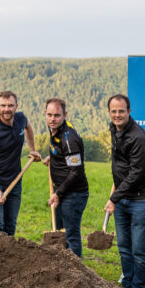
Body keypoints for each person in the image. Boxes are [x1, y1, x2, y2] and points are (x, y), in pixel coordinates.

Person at [104, 94, 145, 288]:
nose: (117, 115)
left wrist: (114, 198)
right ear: (110, 112)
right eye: (114, 111)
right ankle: (127, 285)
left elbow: (136, 173)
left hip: (141, 197)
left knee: (139, 249)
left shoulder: (138, 137)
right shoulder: (114, 129)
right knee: (124, 245)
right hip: (123, 195)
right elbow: (121, 162)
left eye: (121, 111)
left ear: (129, 111)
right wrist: (116, 183)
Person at [0, 91, 41, 239]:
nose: (6, 109)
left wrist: (32, 149)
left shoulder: (20, 118)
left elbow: (28, 127)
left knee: (10, 224)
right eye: (3, 106)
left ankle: (7, 259)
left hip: (14, 180)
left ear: (16, 106)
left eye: (10, 106)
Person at [43, 98, 89, 257]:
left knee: (70, 235)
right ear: (45, 114)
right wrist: (54, 158)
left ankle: (76, 274)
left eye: (56, 115)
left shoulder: (69, 139)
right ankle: (62, 270)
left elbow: (75, 171)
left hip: (73, 193)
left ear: (65, 115)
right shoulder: (54, 129)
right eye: (49, 115)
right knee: (59, 232)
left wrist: (58, 193)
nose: (52, 119)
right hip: (62, 190)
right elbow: (62, 152)